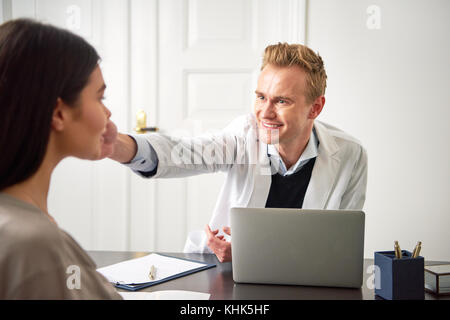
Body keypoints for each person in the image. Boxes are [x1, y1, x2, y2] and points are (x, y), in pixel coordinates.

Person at [106, 43, 368, 263]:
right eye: (261, 97)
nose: (265, 112)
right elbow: (183, 153)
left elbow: (338, 248)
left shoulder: (350, 156)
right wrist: (116, 145)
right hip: (229, 275)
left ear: (315, 108)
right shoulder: (243, 135)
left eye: (282, 101)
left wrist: (253, 253)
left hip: (306, 280)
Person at [0, 19, 121, 299]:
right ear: (58, 114)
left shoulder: (20, 226)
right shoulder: (34, 246)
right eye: (100, 98)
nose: (108, 114)